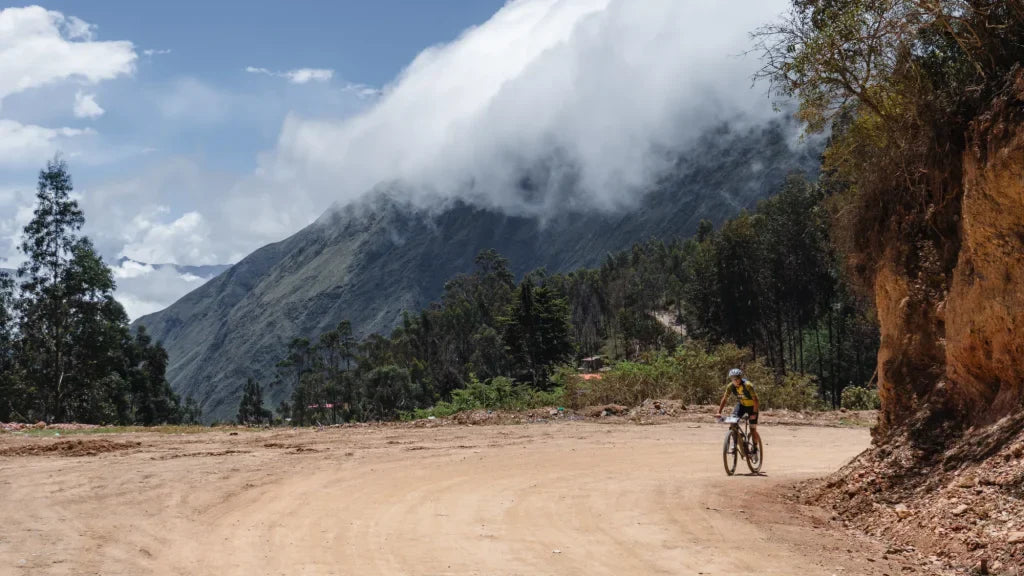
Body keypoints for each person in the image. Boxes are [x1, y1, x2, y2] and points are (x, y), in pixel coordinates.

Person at [716, 368, 761, 454]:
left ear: (740, 378)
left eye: (737, 378)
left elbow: (755, 400)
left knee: (752, 429)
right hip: (741, 405)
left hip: (752, 407)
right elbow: (725, 399)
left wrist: (754, 413)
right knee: (733, 422)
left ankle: (755, 447)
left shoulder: (748, 385)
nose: (735, 380)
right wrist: (719, 412)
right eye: (733, 379)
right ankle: (734, 442)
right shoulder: (730, 386)